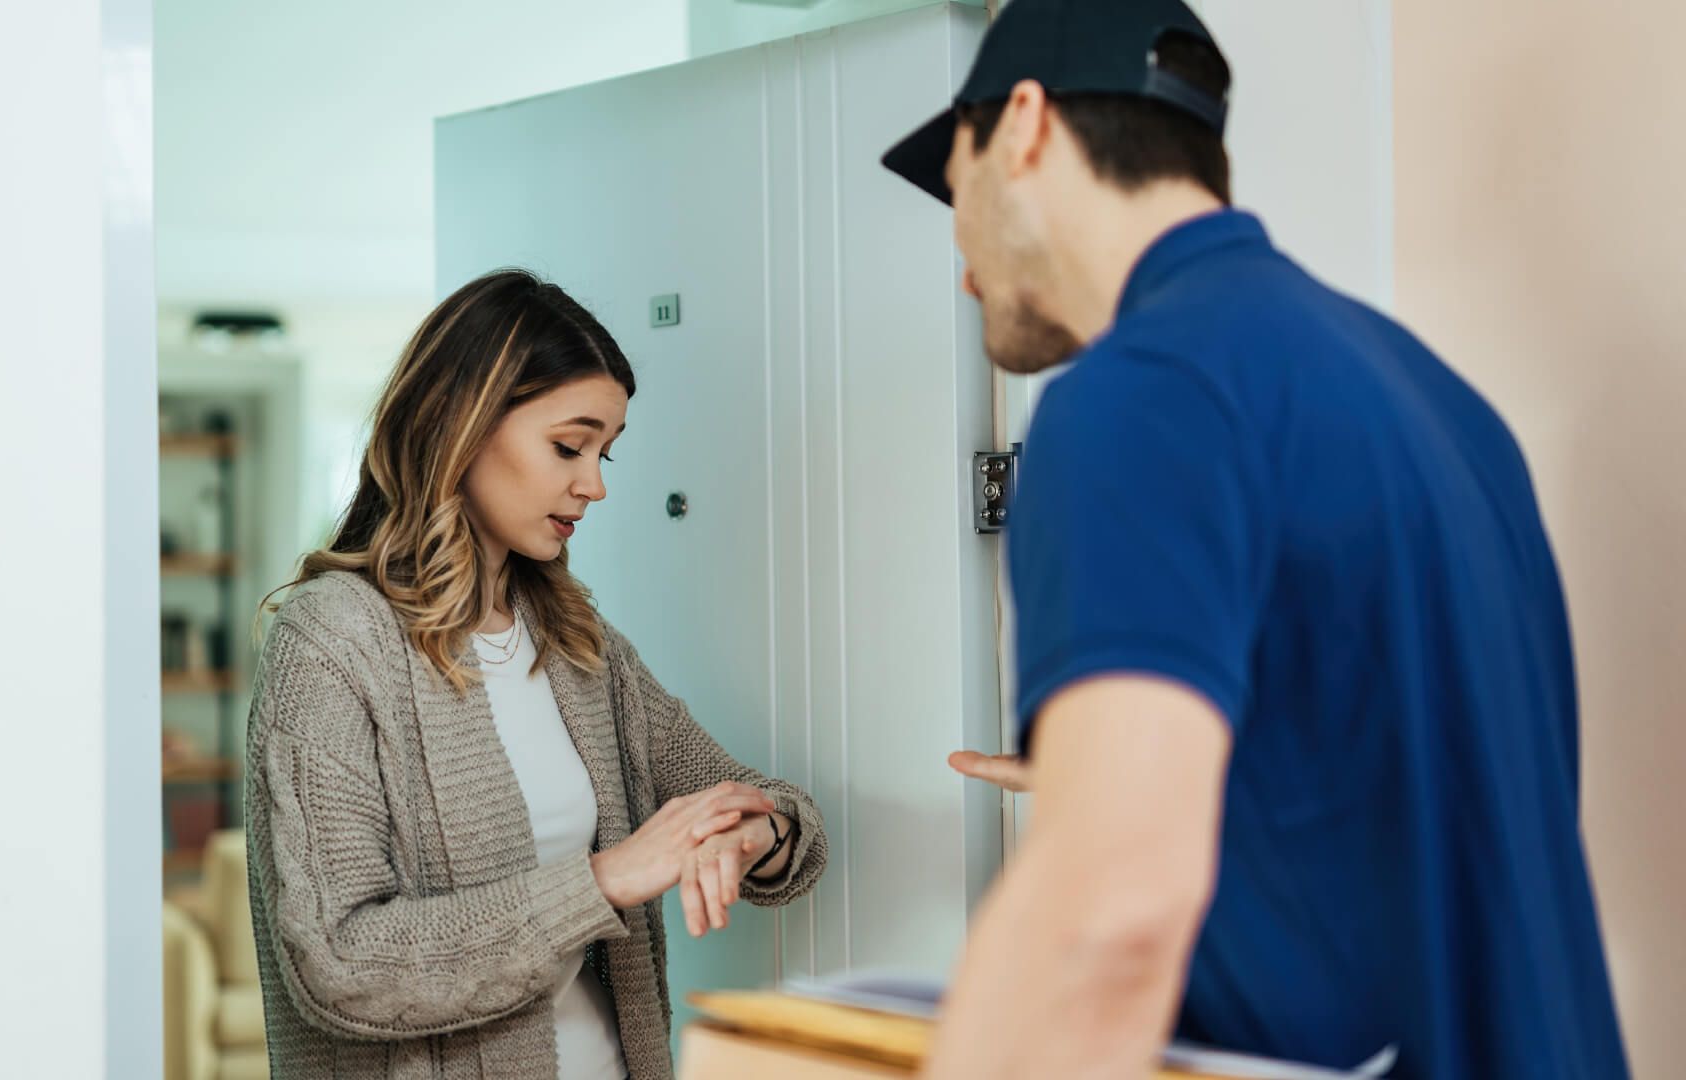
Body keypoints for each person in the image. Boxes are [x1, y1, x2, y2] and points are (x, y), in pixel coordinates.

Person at [880, 1, 1630, 1076]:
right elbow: (1405, 793)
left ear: (1025, 127)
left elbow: (1110, 915)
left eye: (957, 190)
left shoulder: (1134, 397)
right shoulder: (1441, 403)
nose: (961, 264)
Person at [242, 269, 827, 1080]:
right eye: (568, 445)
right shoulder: (332, 642)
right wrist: (607, 879)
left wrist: (759, 836)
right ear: (462, 422)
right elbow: (338, 963)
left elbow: (775, 810)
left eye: (604, 452)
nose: (595, 484)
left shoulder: (580, 646)